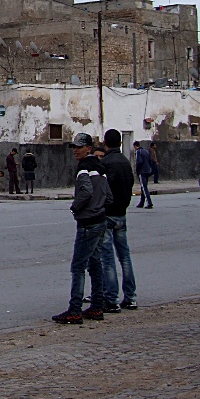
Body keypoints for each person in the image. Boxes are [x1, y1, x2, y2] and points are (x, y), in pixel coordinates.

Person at [52, 132, 113, 324]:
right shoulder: (100, 168)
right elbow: (109, 196)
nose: (75, 151)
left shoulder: (83, 168)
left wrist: (76, 206)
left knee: (78, 267)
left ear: (89, 148)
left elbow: (86, 190)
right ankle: (96, 306)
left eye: (79, 147)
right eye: (74, 147)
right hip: (100, 220)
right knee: (95, 264)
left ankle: (75, 310)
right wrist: (100, 206)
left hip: (87, 223)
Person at [99, 130, 138, 312]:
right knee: (125, 256)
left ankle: (112, 299)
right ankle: (130, 297)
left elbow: (103, 189)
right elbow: (129, 183)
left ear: (105, 143)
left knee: (107, 258)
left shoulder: (105, 163)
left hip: (108, 213)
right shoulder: (125, 161)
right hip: (122, 212)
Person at [133, 141, 153, 209]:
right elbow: (150, 160)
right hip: (147, 170)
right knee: (143, 186)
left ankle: (149, 202)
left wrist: (137, 170)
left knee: (144, 187)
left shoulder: (138, 152)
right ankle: (141, 202)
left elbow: (139, 162)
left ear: (135, 146)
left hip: (142, 171)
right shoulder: (145, 151)